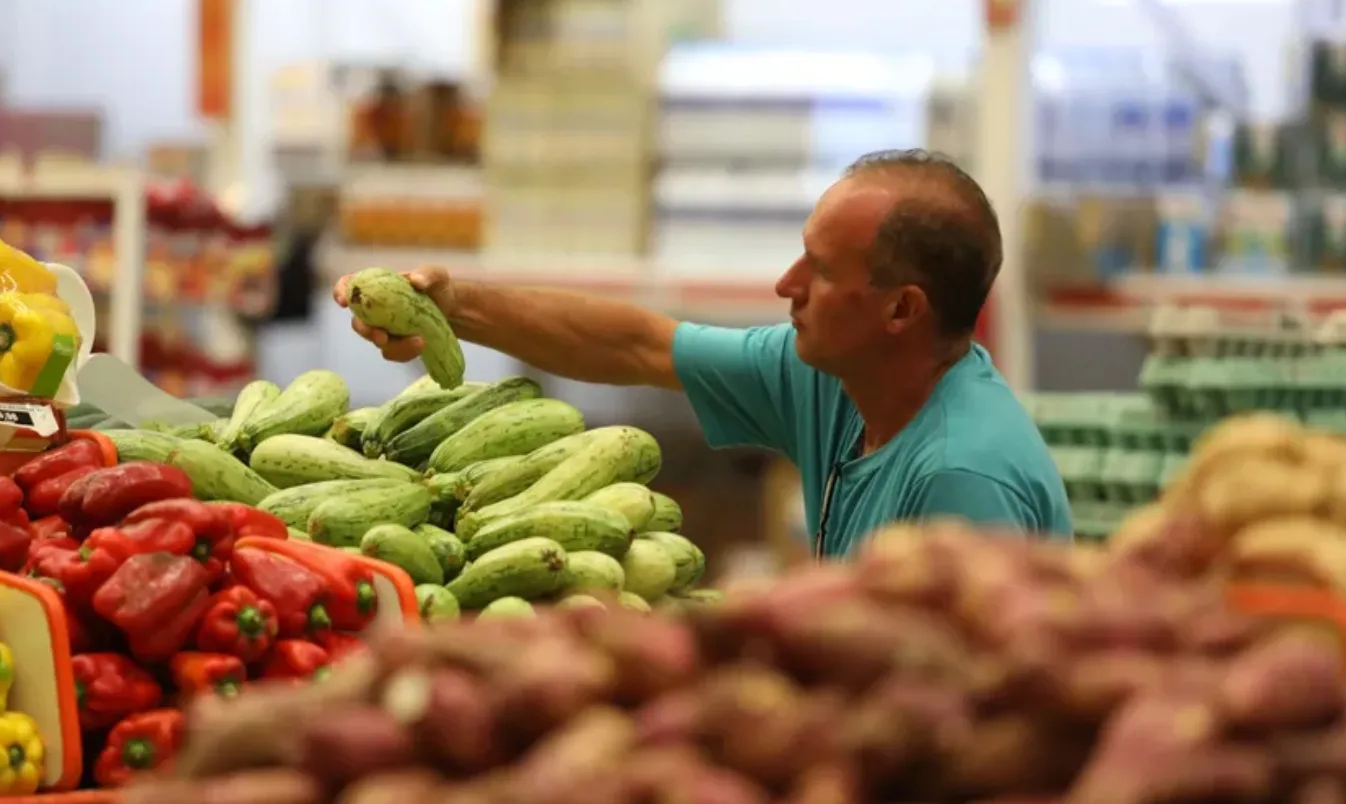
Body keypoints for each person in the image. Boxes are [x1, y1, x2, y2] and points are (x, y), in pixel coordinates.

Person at [336, 149, 1072, 557]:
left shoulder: (962, 478)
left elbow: (954, 717)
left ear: (902, 310)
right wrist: (450, 308)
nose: (787, 285)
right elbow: (637, 344)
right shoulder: (833, 378)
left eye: (819, 269)